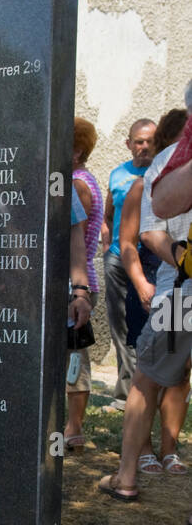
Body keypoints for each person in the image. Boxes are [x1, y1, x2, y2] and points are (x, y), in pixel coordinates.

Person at [99, 99, 192, 504]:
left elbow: (154, 234)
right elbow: (136, 237)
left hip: (180, 294)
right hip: (178, 294)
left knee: (147, 380)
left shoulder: (169, 162)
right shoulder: (152, 169)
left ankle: (126, 477)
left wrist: (184, 263)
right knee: (151, 377)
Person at [100, 118, 157, 408]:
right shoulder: (117, 174)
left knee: (152, 325)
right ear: (129, 144)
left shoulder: (162, 173)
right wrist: (108, 232)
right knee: (120, 324)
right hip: (117, 258)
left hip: (153, 260)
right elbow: (109, 212)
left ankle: (153, 389)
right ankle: (126, 391)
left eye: (149, 141)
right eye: (139, 141)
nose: (144, 146)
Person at [64, 118, 104, 450]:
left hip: (75, 282)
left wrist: (79, 288)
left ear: (77, 150)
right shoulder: (86, 179)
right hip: (81, 279)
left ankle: (74, 427)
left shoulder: (75, 185)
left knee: (74, 355)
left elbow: (75, 235)